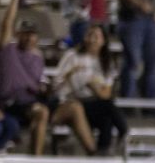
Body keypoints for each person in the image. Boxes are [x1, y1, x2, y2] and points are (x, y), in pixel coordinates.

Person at [0, 0, 96, 156]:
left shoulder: (37, 58)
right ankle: (38, 161)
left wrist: (48, 88)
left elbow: (42, 86)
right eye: (25, 33)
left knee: (74, 107)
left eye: (32, 34)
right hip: (15, 104)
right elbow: (6, 24)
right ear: (18, 34)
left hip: (37, 102)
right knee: (40, 112)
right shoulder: (8, 51)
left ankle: (95, 156)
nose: (29, 37)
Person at [54, 25, 128, 155]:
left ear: (103, 41)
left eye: (96, 36)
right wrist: (71, 73)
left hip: (95, 103)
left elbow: (106, 94)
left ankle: (102, 162)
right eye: (89, 35)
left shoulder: (107, 62)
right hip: (73, 102)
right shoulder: (72, 55)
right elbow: (57, 83)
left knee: (107, 119)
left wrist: (92, 86)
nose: (92, 39)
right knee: (108, 108)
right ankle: (124, 132)